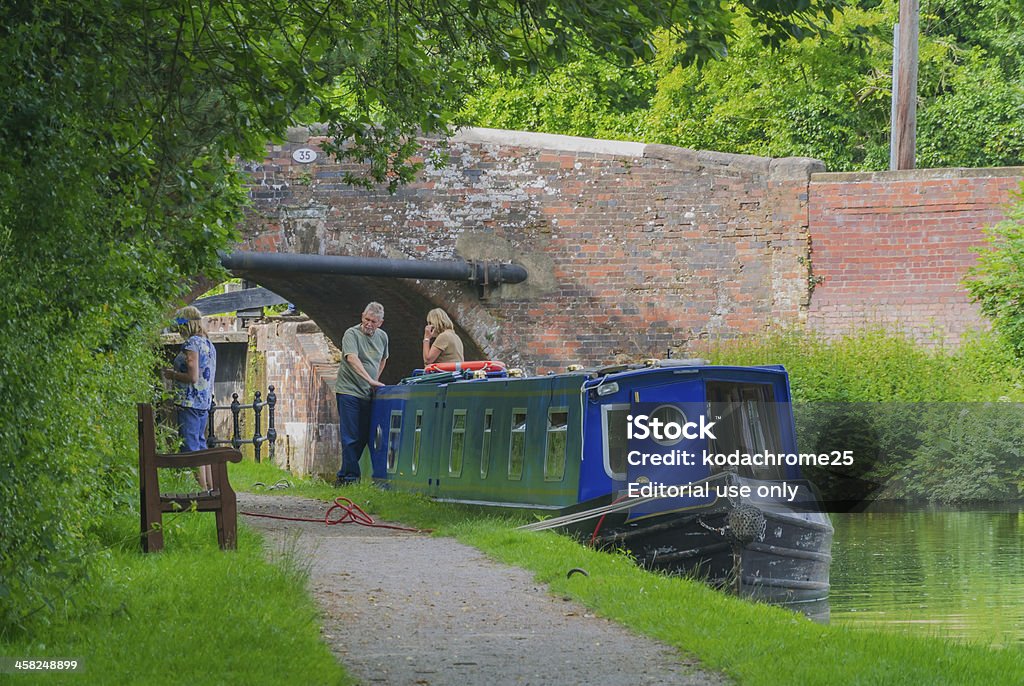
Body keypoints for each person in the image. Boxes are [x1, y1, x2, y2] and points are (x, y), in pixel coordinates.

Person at [162, 306, 217, 491]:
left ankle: (202, 491)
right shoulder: (208, 343)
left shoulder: (192, 344)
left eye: (180, 325)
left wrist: (172, 375)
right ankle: (210, 488)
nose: (178, 330)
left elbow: (193, 377)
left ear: (187, 324)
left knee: (191, 448)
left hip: (189, 401)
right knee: (201, 445)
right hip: (203, 402)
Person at [335, 302, 389, 486]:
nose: (369, 324)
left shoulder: (382, 337)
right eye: (366, 319)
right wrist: (370, 380)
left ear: (380, 323)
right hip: (348, 391)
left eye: (373, 321)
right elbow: (352, 358)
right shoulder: (351, 334)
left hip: (367, 393)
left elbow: (383, 359)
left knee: (364, 436)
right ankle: (351, 479)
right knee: (350, 436)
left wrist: (375, 378)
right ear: (362, 316)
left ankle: (343, 474)